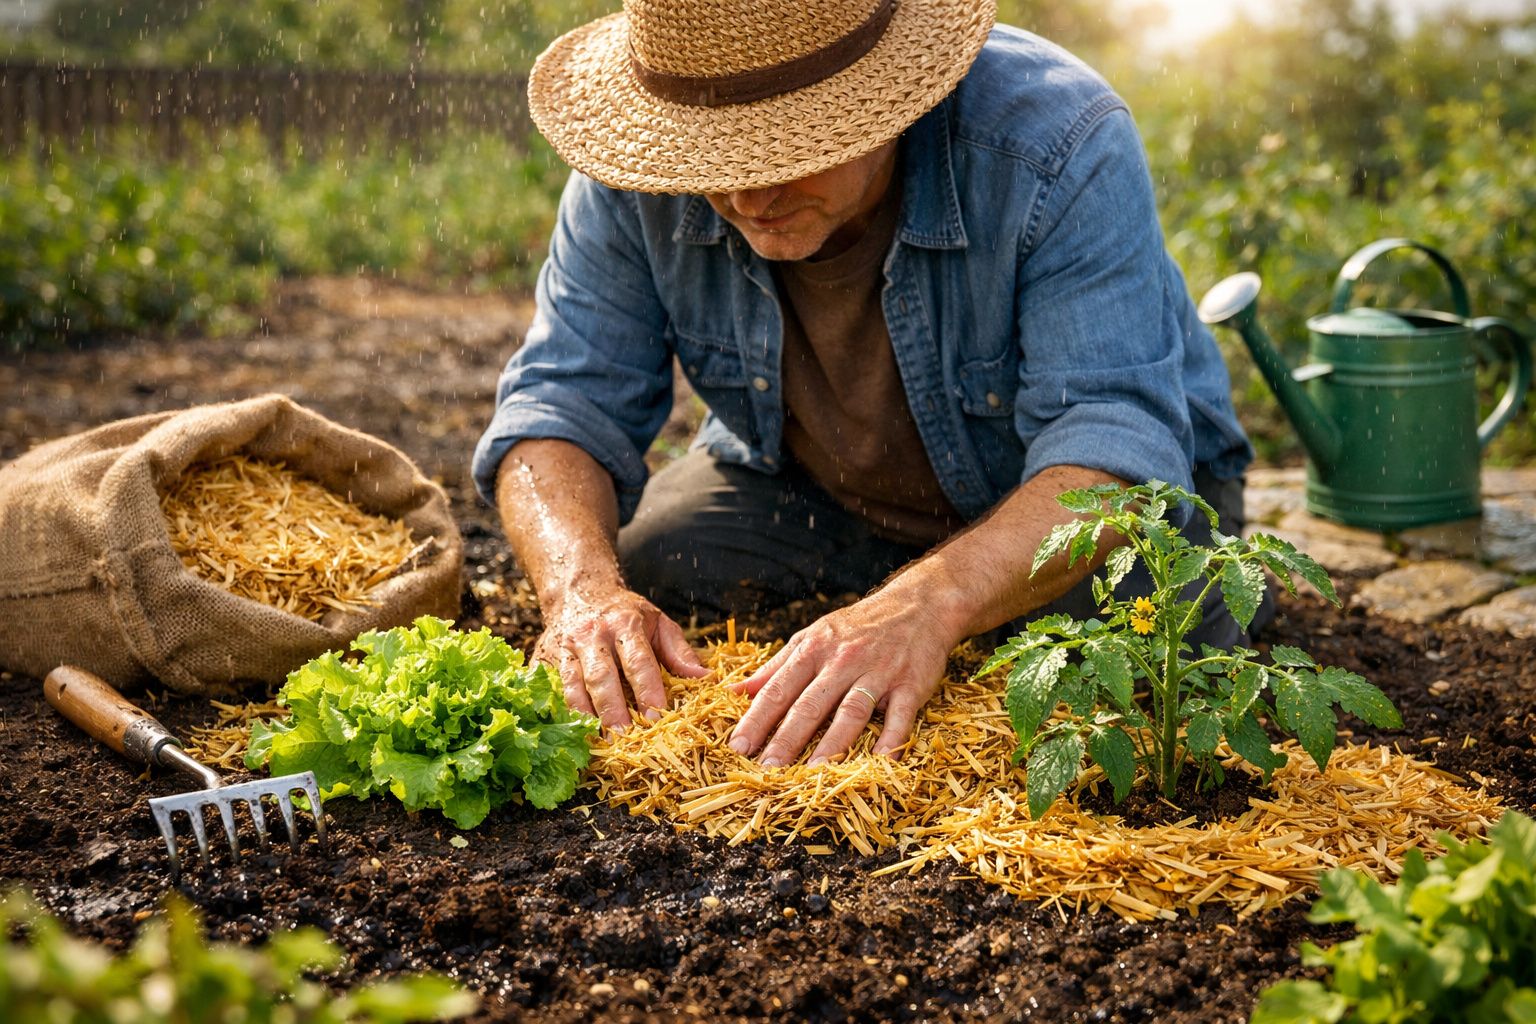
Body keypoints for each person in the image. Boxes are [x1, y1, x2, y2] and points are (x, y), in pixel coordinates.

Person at [473, 0, 1262, 768]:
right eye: (714, 162)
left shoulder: (1056, 143)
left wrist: (930, 602)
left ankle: (924, 604)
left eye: (786, 152)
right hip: (821, 490)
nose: (748, 198)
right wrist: (581, 593)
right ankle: (888, 604)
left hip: (1075, 502)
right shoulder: (640, 159)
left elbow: (1113, 454)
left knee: (1143, 651)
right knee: (653, 567)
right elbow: (563, 401)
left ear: (890, 102)